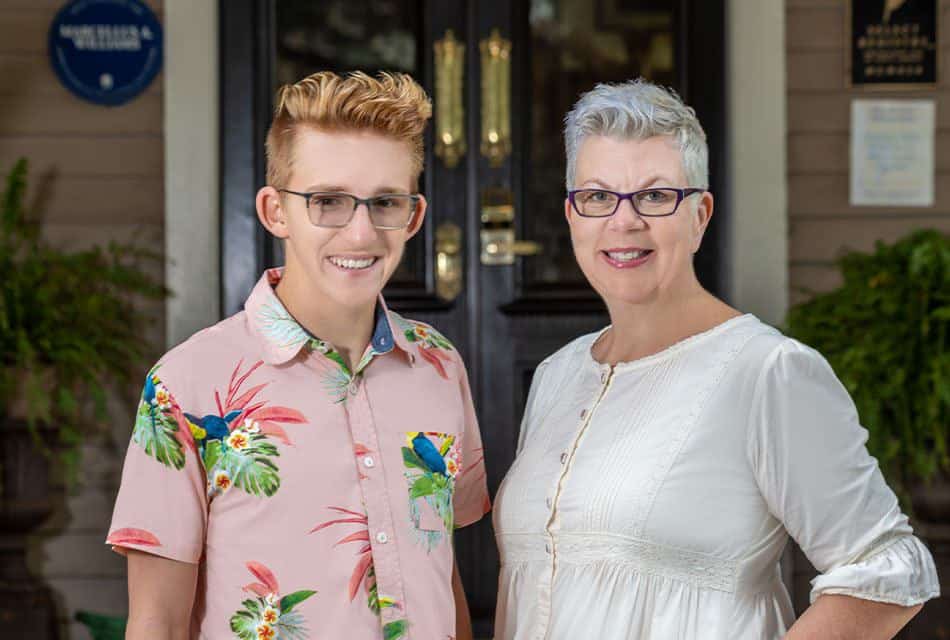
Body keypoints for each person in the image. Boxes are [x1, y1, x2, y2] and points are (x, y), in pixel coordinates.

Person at [492, 79, 938, 639]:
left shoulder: (767, 372)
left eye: (655, 196)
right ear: (572, 214)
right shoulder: (559, 375)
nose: (623, 221)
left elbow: (887, 571)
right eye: (598, 196)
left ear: (700, 215)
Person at [107, 71, 489, 640]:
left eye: (384, 202)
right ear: (275, 211)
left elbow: (442, 571)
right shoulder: (187, 384)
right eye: (328, 201)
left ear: (413, 216)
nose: (360, 233)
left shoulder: (438, 365)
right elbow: (156, 621)